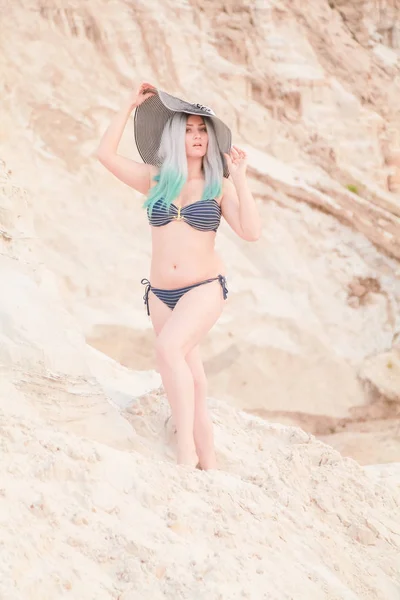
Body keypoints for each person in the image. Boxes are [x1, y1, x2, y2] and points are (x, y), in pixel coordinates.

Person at [97, 82, 261, 470]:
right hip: (160, 295)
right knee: (195, 380)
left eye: (202, 130)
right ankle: (211, 463)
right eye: (188, 130)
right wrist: (127, 106)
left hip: (203, 289)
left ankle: (185, 453)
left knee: (168, 352)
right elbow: (104, 154)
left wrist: (239, 176)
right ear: (175, 136)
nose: (197, 136)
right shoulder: (156, 179)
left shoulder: (217, 185)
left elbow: (252, 232)